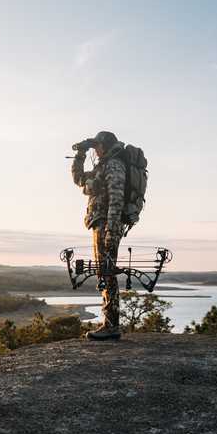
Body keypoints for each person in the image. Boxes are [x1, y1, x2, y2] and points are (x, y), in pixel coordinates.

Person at [71, 131, 126, 340]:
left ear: (105, 145)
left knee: (107, 272)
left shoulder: (114, 165)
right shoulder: (102, 166)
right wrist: (80, 154)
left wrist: (111, 231)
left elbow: (117, 199)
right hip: (100, 224)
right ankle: (109, 323)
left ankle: (111, 325)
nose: (96, 150)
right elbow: (79, 180)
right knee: (105, 271)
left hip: (107, 225)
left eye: (97, 146)